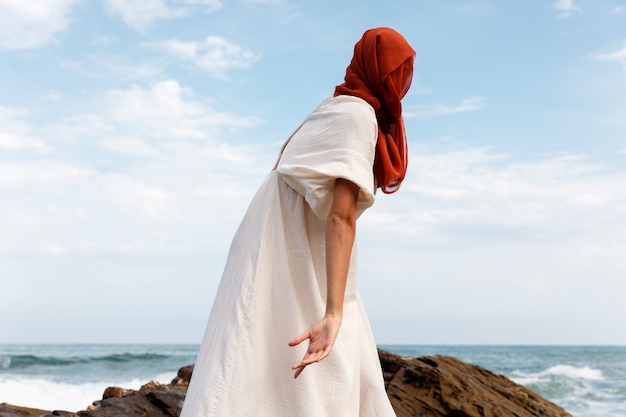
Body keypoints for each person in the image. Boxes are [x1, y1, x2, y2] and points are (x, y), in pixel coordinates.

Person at [180, 27, 415, 417]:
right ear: (376, 70)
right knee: (321, 363)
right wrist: (333, 312)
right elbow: (340, 217)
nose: (403, 81)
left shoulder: (334, 110)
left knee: (260, 357)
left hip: (279, 248)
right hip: (289, 254)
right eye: (397, 70)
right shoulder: (357, 116)